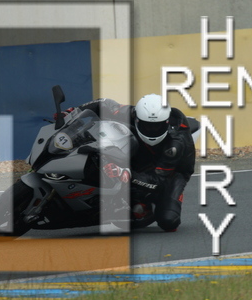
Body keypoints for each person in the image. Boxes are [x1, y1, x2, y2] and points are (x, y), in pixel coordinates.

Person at [59, 94, 196, 232]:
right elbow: (104, 103)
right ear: (136, 117)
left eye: (157, 127)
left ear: (166, 122)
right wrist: (72, 111)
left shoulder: (175, 145)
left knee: (169, 221)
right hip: (145, 149)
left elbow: (159, 180)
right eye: (147, 125)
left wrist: (124, 173)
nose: (152, 130)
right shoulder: (130, 112)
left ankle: (150, 202)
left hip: (172, 171)